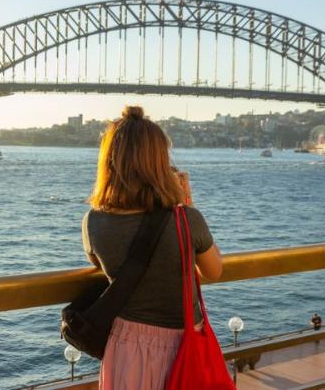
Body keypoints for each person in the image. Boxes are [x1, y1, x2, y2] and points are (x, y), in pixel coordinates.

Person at [82, 106, 224, 390]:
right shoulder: (187, 220)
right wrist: (186, 205)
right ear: (159, 162)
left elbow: (99, 263)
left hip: (126, 349)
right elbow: (213, 271)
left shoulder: (93, 222)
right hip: (183, 351)